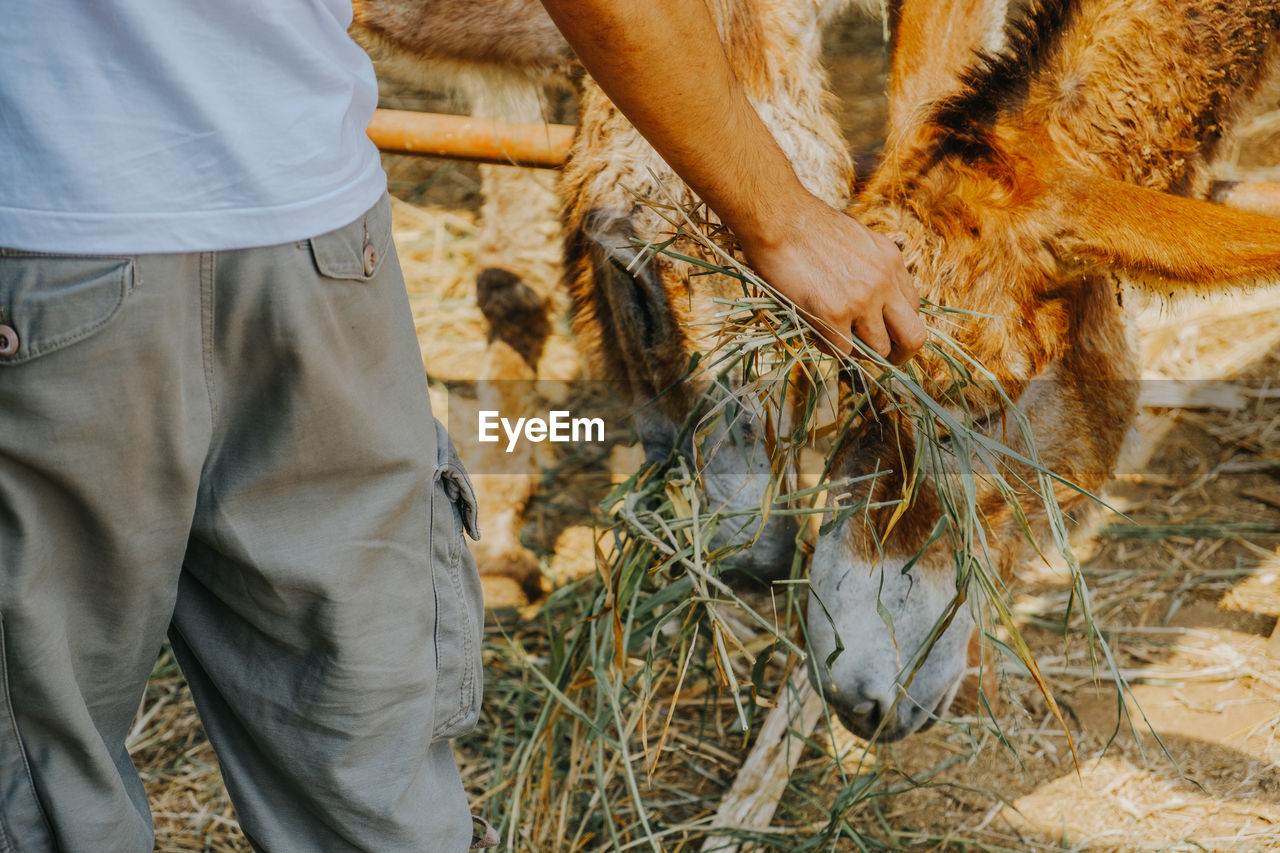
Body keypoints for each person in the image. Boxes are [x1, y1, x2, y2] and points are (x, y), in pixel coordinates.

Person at [0, 1, 923, 851]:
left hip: (66, 227)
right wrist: (781, 217)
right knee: (367, 745)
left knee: (46, 754)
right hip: (310, 231)